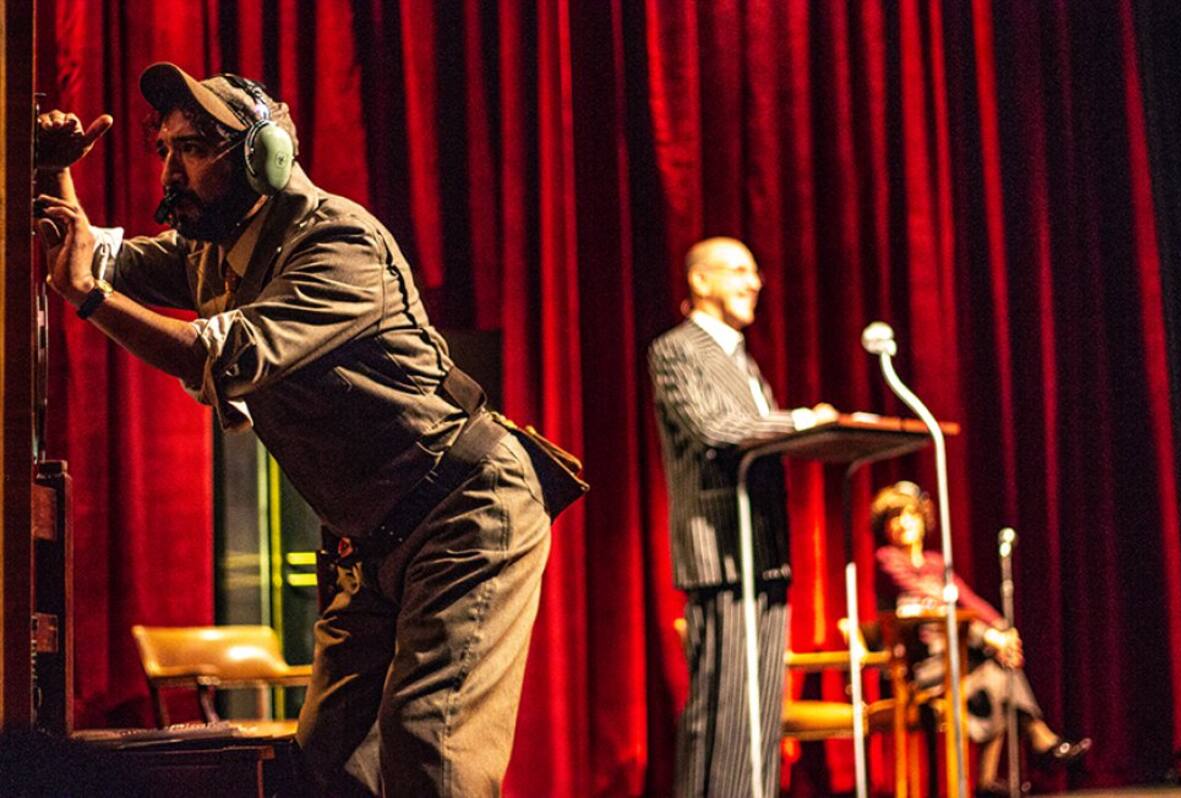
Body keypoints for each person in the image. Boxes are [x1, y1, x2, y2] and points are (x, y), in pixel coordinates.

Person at [34, 63, 556, 796]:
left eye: (192, 150)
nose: (171, 171)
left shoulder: (337, 242)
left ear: (264, 156)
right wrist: (53, 172)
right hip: (368, 536)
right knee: (328, 765)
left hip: (460, 509)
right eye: (165, 150)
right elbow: (91, 255)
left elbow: (219, 354)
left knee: (428, 749)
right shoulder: (213, 247)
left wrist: (90, 300)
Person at [648, 237, 838, 798]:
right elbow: (714, 427)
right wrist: (801, 421)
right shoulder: (677, 348)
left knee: (759, 708)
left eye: (755, 272)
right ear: (700, 280)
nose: (754, 282)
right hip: (722, 549)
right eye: (738, 270)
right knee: (724, 706)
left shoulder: (742, 357)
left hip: (765, 547)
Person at [870, 481, 1091, 796]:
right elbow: (931, 598)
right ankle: (1036, 743)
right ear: (885, 527)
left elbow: (970, 601)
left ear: (922, 519)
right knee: (997, 671)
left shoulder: (936, 563)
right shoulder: (888, 559)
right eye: (894, 517)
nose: (903, 523)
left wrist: (1003, 630)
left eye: (909, 515)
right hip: (919, 666)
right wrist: (989, 636)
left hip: (955, 658)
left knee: (999, 674)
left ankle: (994, 777)